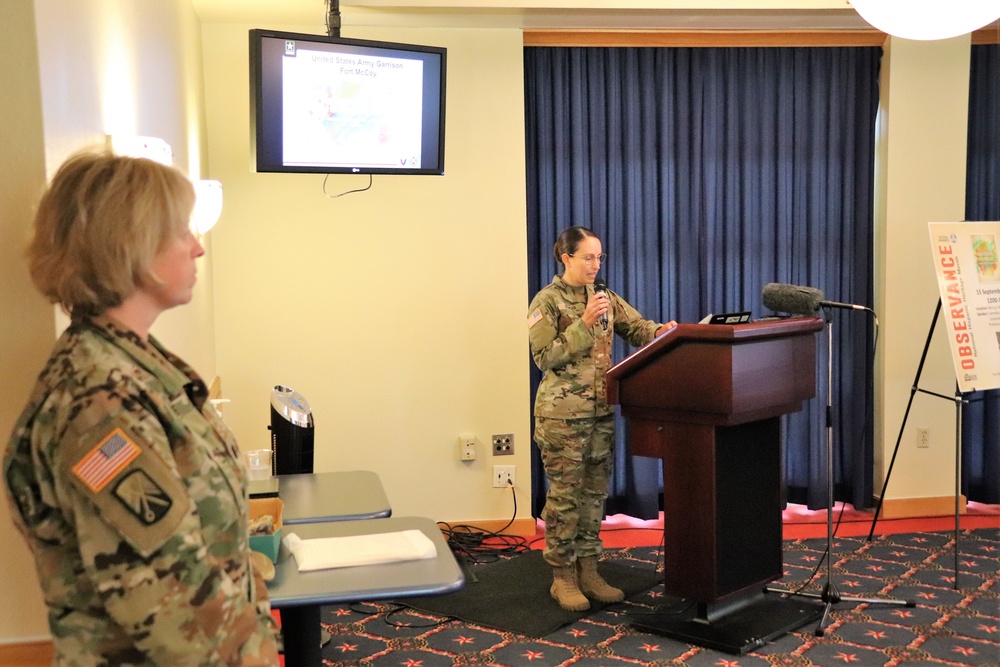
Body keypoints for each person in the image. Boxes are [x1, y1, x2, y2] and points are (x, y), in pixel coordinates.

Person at [3, 150, 281, 665]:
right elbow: (171, 603)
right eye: (181, 232)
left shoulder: (137, 363)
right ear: (132, 246)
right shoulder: (98, 401)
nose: (197, 249)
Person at [527, 226, 675, 611]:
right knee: (565, 498)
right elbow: (544, 357)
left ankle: (589, 570)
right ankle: (562, 577)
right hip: (561, 418)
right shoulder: (547, 301)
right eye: (588, 257)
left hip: (600, 414)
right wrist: (583, 325)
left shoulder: (604, 296)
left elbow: (636, 328)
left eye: (599, 257)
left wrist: (664, 332)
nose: (595, 264)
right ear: (567, 259)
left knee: (594, 495)